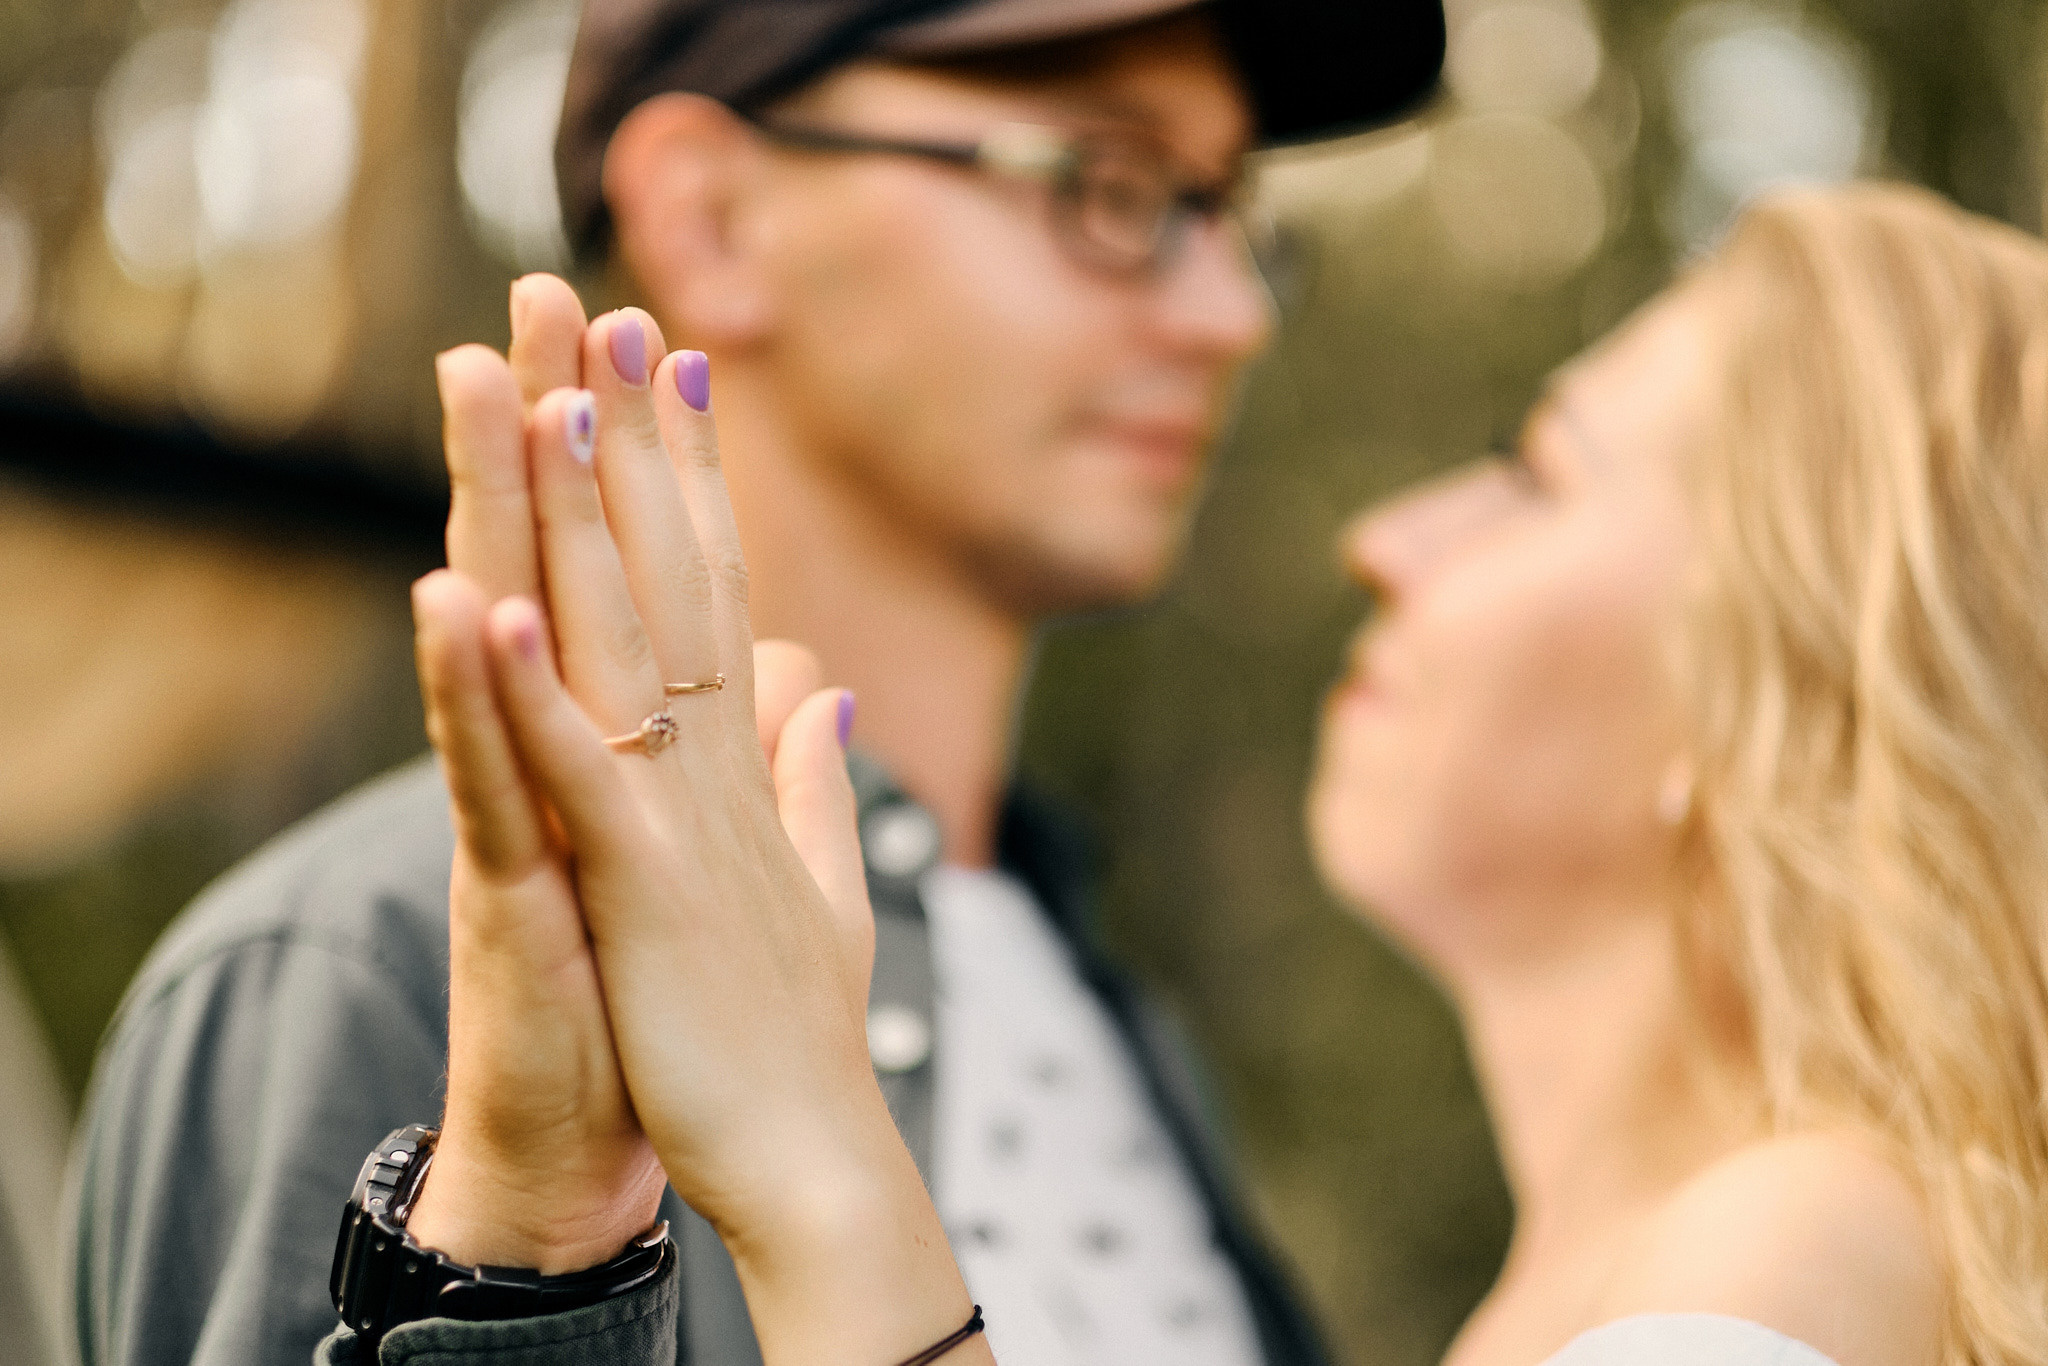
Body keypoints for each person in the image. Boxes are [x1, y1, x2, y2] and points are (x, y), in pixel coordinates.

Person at [391, 180, 2048, 1366]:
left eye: (1539, 475)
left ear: (1787, 691)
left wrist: (818, 1162)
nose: (1386, 538)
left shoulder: (1802, 1248)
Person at [67, 2, 1445, 1364]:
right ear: (714, 216)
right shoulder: (374, 967)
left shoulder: (1116, 1014)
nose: (1227, 313)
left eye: (1226, 211)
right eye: (1113, 185)